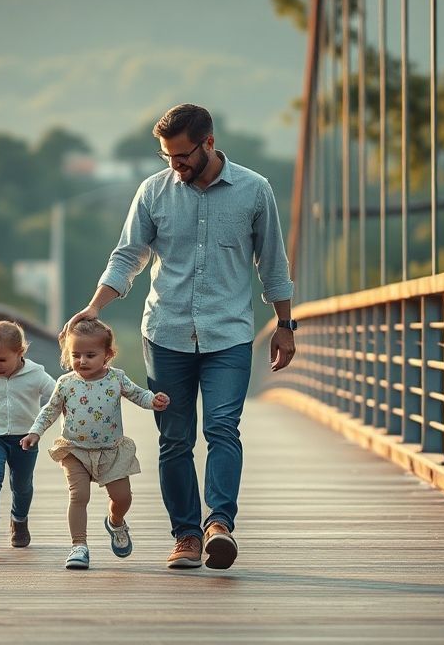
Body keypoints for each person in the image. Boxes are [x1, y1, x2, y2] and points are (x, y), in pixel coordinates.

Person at [65, 103, 297, 571]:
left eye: (184, 156)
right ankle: (186, 535)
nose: (176, 165)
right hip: (166, 334)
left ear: (209, 143)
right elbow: (127, 256)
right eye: (167, 157)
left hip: (229, 334)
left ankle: (220, 525)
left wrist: (285, 325)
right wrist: (94, 306)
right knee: (174, 439)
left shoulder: (254, 191)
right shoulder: (153, 192)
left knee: (222, 428)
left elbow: (272, 263)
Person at [20, 319, 169, 570]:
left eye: (90, 355)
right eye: (76, 355)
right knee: (79, 496)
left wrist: (153, 400)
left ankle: (116, 520)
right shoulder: (66, 383)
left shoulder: (116, 378)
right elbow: (50, 410)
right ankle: (79, 545)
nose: (82, 361)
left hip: (111, 450)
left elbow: (137, 393)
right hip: (75, 450)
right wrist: (35, 431)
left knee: (123, 497)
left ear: (108, 355)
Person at [0, 320, 56, 549]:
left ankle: (19, 521)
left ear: (20, 352)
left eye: (1, 360)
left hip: (25, 437)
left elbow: (57, 397)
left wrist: (46, 423)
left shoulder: (36, 374)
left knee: (22, 485)